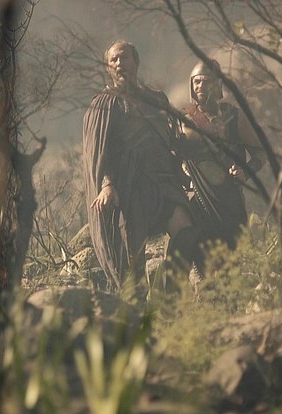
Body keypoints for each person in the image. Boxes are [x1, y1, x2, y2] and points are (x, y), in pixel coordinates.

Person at [83, 40, 203, 291]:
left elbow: (172, 140)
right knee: (132, 263)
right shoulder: (104, 103)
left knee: (186, 231)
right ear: (108, 67)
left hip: (163, 181)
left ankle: (169, 297)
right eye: (114, 60)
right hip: (129, 187)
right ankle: (135, 308)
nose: (119, 63)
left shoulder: (155, 98)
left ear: (136, 62)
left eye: (124, 57)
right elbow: (99, 152)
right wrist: (107, 185)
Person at [181, 59, 267, 250]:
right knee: (202, 254)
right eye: (197, 81)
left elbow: (261, 152)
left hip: (230, 198)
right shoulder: (183, 120)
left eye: (207, 81)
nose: (201, 86)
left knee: (235, 252)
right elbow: (174, 157)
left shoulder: (234, 116)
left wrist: (245, 171)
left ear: (218, 84)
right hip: (197, 199)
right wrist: (184, 170)